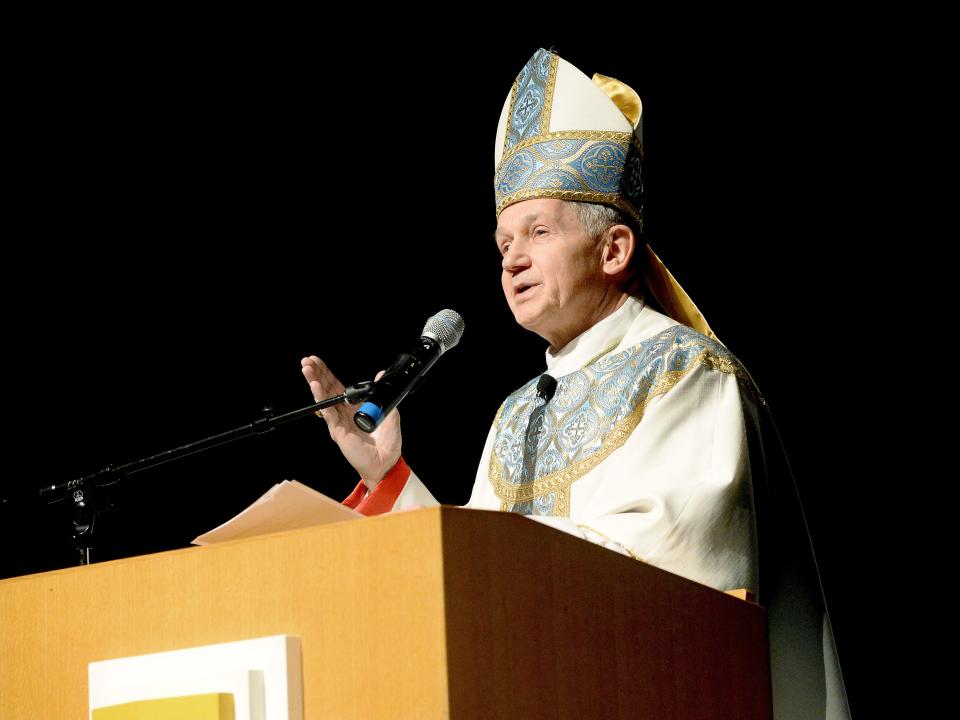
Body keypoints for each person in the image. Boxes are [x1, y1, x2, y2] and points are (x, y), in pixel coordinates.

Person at [302, 48, 850, 720]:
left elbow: (671, 581)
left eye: (538, 232)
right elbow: (468, 579)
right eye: (504, 244)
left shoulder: (687, 374)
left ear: (614, 249)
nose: (515, 261)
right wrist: (389, 477)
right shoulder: (516, 414)